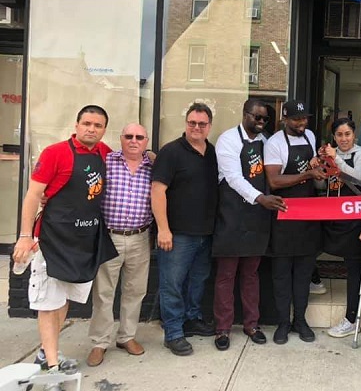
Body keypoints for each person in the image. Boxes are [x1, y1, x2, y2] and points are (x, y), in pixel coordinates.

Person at [12, 105, 118, 383]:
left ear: (104, 129)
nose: (91, 129)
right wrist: (24, 236)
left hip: (83, 240)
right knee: (48, 302)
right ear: (77, 125)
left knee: (62, 300)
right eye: (87, 123)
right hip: (52, 240)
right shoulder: (55, 153)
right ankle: (51, 367)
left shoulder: (104, 153)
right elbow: (33, 195)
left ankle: (48, 352)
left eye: (97, 125)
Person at [212, 99, 287, 351]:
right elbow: (233, 177)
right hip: (232, 217)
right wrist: (261, 198)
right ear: (245, 114)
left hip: (256, 218)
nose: (261, 122)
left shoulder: (266, 142)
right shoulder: (228, 140)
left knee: (251, 275)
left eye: (265, 118)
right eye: (257, 117)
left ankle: (251, 324)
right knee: (226, 275)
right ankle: (223, 328)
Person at [151, 102, 219, 356]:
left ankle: (192, 319)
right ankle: (173, 332)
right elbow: (157, 191)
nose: (196, 127)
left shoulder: (212, 152)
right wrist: (163, 229)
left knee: (198, 281)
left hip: (206, 232)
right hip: (177, 234)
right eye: (192, 123)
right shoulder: (171, 152)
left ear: (209, 126)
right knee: (172, 284)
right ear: (186, 124)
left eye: (202, 124)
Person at [86, 123, 153, 367]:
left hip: (140, 236)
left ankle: (126, 337)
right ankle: (100, 342)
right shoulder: (106, 162)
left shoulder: (153, 167)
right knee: (104, 292)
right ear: (121, 138)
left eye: (139, 137)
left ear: (146, 141)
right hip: (110, 236)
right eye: (129, 136)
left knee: (135, 290)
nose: (134, 140)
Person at [264, 100, 326, 345]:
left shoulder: (310, 136)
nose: (302, 123)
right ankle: (283, 322)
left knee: (303, 273)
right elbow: (274, 181)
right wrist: (307, 174)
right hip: (284, 214)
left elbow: (313, 166)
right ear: (285, 120)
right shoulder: (274, 143)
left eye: (304, 118)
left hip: (307, 214)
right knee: (281, 274)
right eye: (297, 119)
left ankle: (300, 320)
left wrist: (317, 164)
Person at [319, 118, 361, 338]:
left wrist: (336, 158)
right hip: (332, 217)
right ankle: (314, 281)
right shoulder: (328, 155)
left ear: (354, 135)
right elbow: (320, 184)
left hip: (354, 220)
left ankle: (351, 318)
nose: (343, 139)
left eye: (347, 134)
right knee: (311, 246)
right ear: (334, 137)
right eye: (339, 135)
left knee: (354, 267)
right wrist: (317, 167)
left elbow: (358, 177)